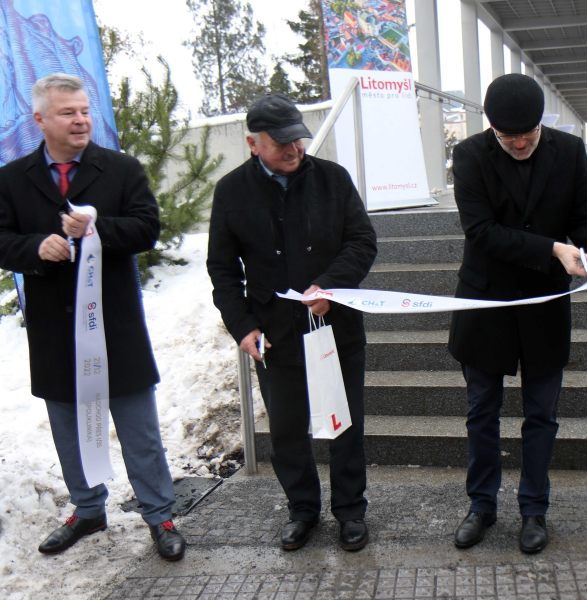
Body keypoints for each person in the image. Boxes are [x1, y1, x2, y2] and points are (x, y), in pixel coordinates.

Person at [0, 74, 184, 561]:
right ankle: (87, 508)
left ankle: (159, 514)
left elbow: (147, 228)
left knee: (139, 431)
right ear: (40, 120)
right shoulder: (12, 178)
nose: (81, 120)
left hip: (115, 329)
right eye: (68, 112)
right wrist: (35, 247)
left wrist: (99, 226)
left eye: (85, 111)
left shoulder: (120, 170)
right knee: (69, 429)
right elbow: (0, 240)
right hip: (54, 332)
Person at [448, 73, 587, 554]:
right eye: (508, 137)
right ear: (492, 129)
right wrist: (551, 248)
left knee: (541, 414)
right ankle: (481, 505)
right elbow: (480, 230)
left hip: (546, 304)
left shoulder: (568, 151)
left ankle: (534, 510)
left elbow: (583, 216)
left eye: (527, 133)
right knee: (481, 411)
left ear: (540, 122)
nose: (520, 143)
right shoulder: (468, 156)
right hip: (485, 301)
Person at [206, 93, 377, 553]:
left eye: (297, 139)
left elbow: (362, 242)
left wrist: (329, 285)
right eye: (280, 143)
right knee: (286, 429)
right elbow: (222, 269)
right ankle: (302, 509)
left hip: (335, 328)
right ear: (252, 144)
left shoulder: (332, 179)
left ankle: (350, 512)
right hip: (274, 335)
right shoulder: (232, 191)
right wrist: (241, 326)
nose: (294, 149)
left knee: (345, 425)